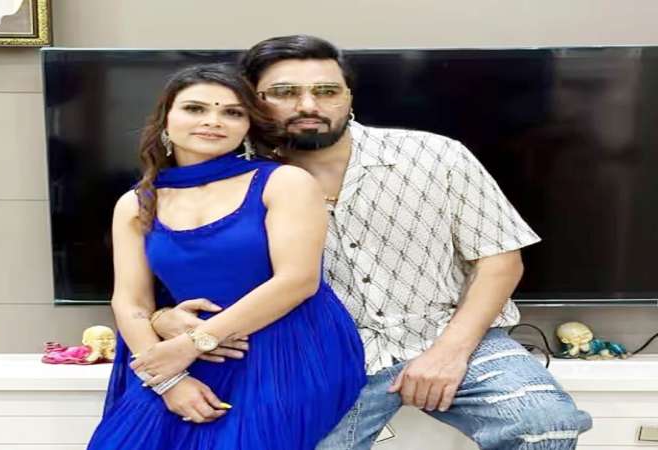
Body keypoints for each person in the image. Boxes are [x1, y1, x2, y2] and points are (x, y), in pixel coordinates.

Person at [151, 36, 593, 449]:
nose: (308, 105)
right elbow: (188, 267)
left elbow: (500, 262)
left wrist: (449, 352)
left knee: (545, 423)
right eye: (285, 92)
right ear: (253, 101)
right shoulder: (233, 181)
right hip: (319, 356)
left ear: (349, 96)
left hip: (453, 334)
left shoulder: (436, 156)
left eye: (327, 91)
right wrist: (163, 317)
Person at [86, 63, 366, 450]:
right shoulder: (136, 203)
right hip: (180, 353)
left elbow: (298, 281)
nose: (213, 121)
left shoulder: (284, 182)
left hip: (284, 348)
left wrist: (194, 343)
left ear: (248, 126)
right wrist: (168, 379)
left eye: (232, 112)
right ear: (166, 120)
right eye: (195, 109)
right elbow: (131, 302)